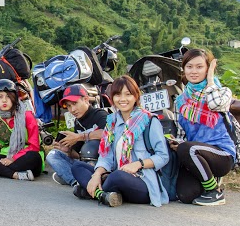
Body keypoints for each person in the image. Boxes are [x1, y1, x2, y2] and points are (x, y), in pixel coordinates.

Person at [70, 76, 170, 207]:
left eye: (128, 94)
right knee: (77, 166)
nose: (122, 99)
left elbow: (163, 156)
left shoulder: (149, 120)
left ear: (136, 96)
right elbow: (106, 157)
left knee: (117, 177)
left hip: (141, 180)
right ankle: (105, 194)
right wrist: (96, 175)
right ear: (112, 98)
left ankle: (89, 191)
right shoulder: (112, 122)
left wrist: (138, 164)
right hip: (115, 173)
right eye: (117, 95)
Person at [173, 49, 236, 206]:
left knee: (188, 149)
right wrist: (176, 143)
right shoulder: (181, 100)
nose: (193, 71)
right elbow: (182, 134)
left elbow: (215, 104)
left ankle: (214, 191)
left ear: (208, 68)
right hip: (196, 153)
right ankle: (207, 178)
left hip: (221, 153)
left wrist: (210, 81)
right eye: (189, 67)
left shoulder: (222, 92)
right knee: (185, 195)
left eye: (199, 67)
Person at [45, 85, 108, 187]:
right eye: (68, 106)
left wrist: (80, 136)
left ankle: (72, 177)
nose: (72, 109)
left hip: (102, 163)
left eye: (75, 103)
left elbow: (108, 133)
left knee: (92, 146)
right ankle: (76, 181)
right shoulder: (77, 122)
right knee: (53, 155)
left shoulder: (100, 115)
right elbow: (78, 155)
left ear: (86, 99)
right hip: (84, 162)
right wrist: (68, 151)